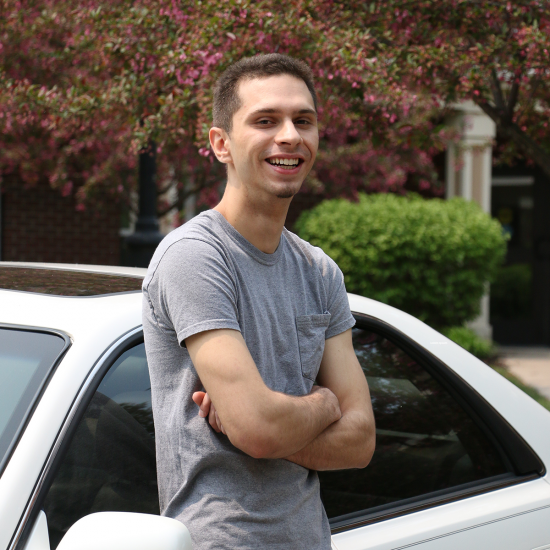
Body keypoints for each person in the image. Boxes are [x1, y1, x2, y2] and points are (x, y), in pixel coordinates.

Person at [142, 53, 375, 550]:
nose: (289, 135)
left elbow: (360, 441)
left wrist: (270, 425)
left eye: (303, 121)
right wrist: (324, 403)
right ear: (221, 144)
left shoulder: (319, 272)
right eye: (265, 120)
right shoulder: (195, 257)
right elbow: (259, 428)